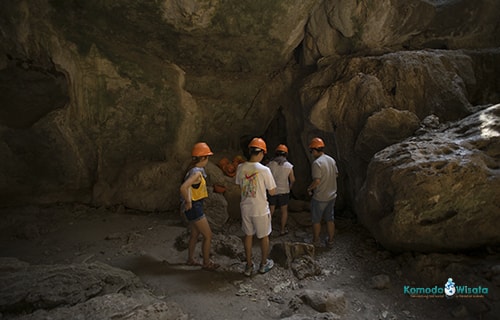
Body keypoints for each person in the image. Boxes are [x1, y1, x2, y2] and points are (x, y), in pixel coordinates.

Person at [235, 137, 277, 276]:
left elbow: (239, 185)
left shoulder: (240, 167)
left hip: (245, 208)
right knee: (264, 237)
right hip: (260, 209)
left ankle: (248, 266)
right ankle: (263, 264)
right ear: (261, 153)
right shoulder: (264, 170)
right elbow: (272, 191)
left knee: (248, 236)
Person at [180, 142, 220, 270]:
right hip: (194, 207)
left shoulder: (193, 170)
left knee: (195, 234)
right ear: (203, 158)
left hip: (194, 207)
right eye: (207, 157)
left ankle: (191, 259)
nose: (208, 160)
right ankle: (206, 263)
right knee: (208, 235)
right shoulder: (196, 173)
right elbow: (184, 188)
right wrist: (188, 201)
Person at [306, 137, 339, 248]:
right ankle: (330, 241)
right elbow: (336, 174)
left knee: (316, 220)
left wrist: (309, 189)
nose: (311, 153)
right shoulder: (331, 159)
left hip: (320, 197)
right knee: (330, 219)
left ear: (315, 150)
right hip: (332, 195)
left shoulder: (317, 163)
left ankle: (315, 241)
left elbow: (317, 181)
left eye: (311, 151)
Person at [267, 144, 296, 236]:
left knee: (270, 210)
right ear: (286, 154)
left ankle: (267, 230)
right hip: (284, 192)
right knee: (284, 211)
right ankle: (282, 230)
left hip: (272, 191)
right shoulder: (289, 166)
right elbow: (293, 180)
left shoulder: (270, 164)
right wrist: (289, 187)